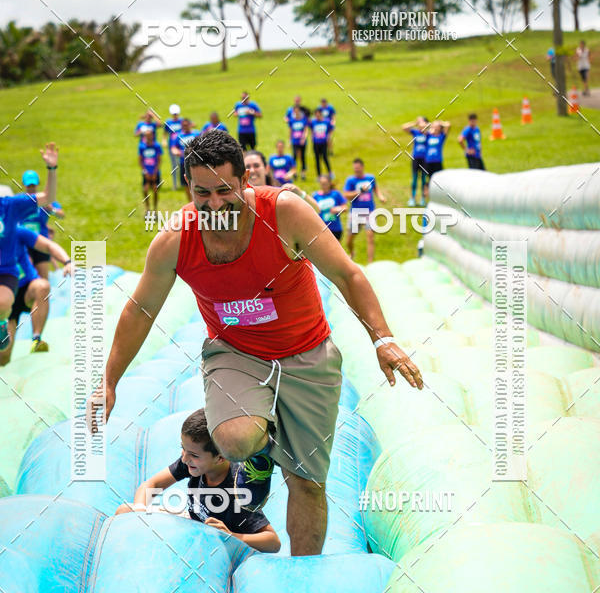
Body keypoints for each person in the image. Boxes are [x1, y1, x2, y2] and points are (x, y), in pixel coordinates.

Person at [88, 130, 422, 556]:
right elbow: (140, 309)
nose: (213, 204)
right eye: (201, 192)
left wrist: (383, 339)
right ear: (187, 186)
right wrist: (110, 380)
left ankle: (303, 576)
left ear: (245, 178)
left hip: (308, 355)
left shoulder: (285, 213)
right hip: (236, 353)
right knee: (233, 440)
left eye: (224, 190)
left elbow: (347, 274)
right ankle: (262, 453)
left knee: (306, 482)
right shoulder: (175, 239)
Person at [115, 409, 281, 552]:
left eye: (194, 455)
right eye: (183, 449)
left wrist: (231, 536)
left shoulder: (239, 490)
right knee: (126, 511)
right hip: (192, 523)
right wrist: (140, 513)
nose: (185, 459)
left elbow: (273, 542)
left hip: (215, 542)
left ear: (221, 457)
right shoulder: (192, 464)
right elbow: (152, 485)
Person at [0, 143, 58, 356]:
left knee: (38, 287)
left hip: (8, 278)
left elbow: (48, 198)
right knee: (3, 360)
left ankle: (34, 336)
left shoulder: (10, 206)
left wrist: (51, 170)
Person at [3, 228, 72, 361]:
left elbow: (48, 245)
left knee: (42, 286)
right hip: (5, 302)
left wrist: (67, 262)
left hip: (26, 289)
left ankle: (36, 339)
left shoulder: (17, 231)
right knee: (4, 358)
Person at [20, 170, 66, 278]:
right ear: (23, 184)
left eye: (33, 185)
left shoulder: (43, 199)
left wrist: (52, 209)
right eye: (29, 185)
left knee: (44, 278)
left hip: (41, 241)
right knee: (28, 276)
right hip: (24, 243)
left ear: (38, 184)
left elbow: (62, 214)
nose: (31, 188)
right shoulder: (20, 200)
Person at [245, 149, 320, 213]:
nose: (252, 170)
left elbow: (316, 210)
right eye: (247, 167)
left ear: (267, 169)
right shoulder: (239, 199)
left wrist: (300, 194)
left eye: (256, 166)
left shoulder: (281, 194)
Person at [343, 158, 386, 264]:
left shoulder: (370, 178)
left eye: (358, 168)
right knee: (349, 240)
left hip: (369, 212)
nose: (356, 170)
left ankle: (370, 263)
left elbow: (376, 188)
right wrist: (359, 191)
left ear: (362, 167)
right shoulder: (351, 180)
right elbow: (347, 195)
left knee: (370, 237)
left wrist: (380, 197)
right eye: (355, 169)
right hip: (356, 213)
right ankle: (352, 252)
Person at [401, 116, 428, 207]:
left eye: (421, 122)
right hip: (416, 158)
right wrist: (415, 123)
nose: (420, 124)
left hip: (425, 159)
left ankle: (423, 199)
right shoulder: (416, 132)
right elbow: (404, 127)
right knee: (415, 179)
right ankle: (412, 198)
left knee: (424, 179)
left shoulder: (429, 133)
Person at [423, 120, 451, 202]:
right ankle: (429, 196)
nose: (435, 128)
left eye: (437, 126)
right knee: (430, 180)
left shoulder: (441, 136)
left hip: (437, 161)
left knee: (439, 180)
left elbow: (448, 125)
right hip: (428, 161)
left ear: (440, 128)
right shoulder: (428, 136)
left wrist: (440, 123)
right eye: (434, 126)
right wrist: (430, 126)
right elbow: (422, 129)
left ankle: (439, 197)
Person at [312, 174, 346, 241]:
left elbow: (345, 207)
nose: (323, 186)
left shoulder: (336, 194)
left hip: (335, 228)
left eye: (325, 184)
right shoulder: (315, 196)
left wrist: (338, 209)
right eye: (322, 183)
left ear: (330, 183)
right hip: (321, 229)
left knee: (335, 251)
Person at [175, 119, 201, 201]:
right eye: (183, 126)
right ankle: (190, 202)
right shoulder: (179, 136)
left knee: (197, 182)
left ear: (190, 125)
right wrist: (178, 152)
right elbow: (173, 148)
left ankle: (198, 200)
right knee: (186, 184)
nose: (185, 127)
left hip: (196, 163)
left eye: (186, 125)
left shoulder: (196, 134)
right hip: (184, 163)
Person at [139, 128, 163, 213]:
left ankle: (155, 208)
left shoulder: (157, 146)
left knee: (155, 190)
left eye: (150, 136)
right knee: (145, 190)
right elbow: (140, 160)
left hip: (155, 172)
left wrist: (155, 172)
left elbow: (159, 159)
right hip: (146, 172)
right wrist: (145, 172)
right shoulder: (142, 146)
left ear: (152, 136)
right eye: (147, 136)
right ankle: (147, 208)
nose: (148, 137)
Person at [164, 103, 184, 189]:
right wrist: (164, 141)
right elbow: (165, 133)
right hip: (172, 146)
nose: (175, 115)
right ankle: (175, 185)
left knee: (182, 165)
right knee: (174, 166)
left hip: (181, 146)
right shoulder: (168, 122)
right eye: (174, 114)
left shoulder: (182, 121)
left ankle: (183, 183)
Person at [310, 108, 334, 177]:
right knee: (317, 159)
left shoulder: (326, 122)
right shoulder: (313, 122)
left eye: (318, 114)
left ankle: (330, 172)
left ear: (321, 114)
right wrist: (312, 136)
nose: (317, 116)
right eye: (316, 115)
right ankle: (319, 175)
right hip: (316, 143)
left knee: (325, 157)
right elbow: (310, 128)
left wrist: (328, 138)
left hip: (324, 143)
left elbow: (330, 129)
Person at [289, 107, 309, 180]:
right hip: (295, 141)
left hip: (302, 141)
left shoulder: (303, 120)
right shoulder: (292, 120)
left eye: (297, 111)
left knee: (303, 157)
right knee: (294, 157)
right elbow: (290, 130)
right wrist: (290, 141)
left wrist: (304, 138)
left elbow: (306, 130)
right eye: (295, 111)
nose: (296, 113)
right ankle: (294, 172)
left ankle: (303, 173)